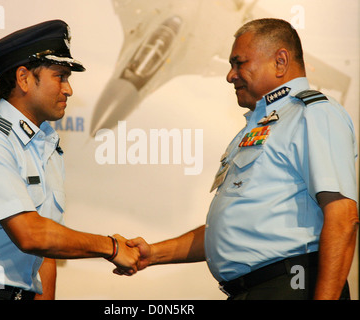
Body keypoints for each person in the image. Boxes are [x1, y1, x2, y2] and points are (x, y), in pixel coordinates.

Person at [117, 18, 359, 300]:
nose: (230, 75)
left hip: (289, 286)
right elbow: (231, 227)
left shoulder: (315, 115)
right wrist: (154, 253)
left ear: (280, 61)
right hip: (251, 291)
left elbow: (343, 217)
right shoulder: (258, 127)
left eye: (239, 63)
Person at [0, 20, 139, 300]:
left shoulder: (45, 143)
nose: (68, 90)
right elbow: (32, 235)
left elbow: (47, 246)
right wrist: (112, 247)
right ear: (23, 78)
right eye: (60, 76)